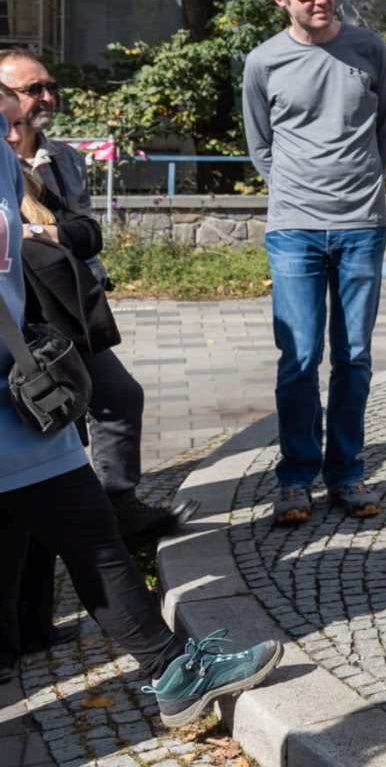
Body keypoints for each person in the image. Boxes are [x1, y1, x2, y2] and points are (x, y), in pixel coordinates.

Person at [0, 88, 283, 724]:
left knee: (81, 534)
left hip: (17, 398)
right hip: (14, 418)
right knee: (89, 538)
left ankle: (170, 669)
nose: (14, 130)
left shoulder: (2, 150)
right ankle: (173, 670)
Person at [0, 50, 186, 539]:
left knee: (118, 397)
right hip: (15, 317)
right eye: (33, 89)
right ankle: (61, 527)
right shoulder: (2, 159)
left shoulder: (62, 159)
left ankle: (117, 507)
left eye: (49, 86)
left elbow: (86, 234)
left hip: (64, 306)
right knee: (48, 418)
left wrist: (36, 233)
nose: (46, 97)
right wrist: (47, 235)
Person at [242, 0, 386, 524]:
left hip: (361, 226)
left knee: (354, 357)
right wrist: (298, 192)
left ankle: (347, 474)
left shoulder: (369, 48)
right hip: (295, 229)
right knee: (299, 357)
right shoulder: (263, 63)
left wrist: (361, 188)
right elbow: (261, 145)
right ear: (281, 0)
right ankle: (295, 477)